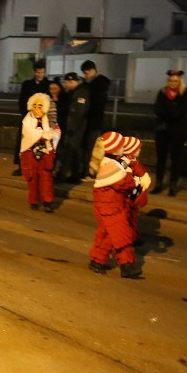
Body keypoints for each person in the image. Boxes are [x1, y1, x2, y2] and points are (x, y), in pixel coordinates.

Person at [88, 132, 144, 279]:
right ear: (114, 148)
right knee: (122, 236)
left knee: (108, 235)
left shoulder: (108, 163)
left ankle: (98, 260)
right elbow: (126, 183)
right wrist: (134, 181)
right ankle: (126, 266)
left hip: (111, 206)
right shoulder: (110, 165)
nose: (123, 148)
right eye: (121, 145)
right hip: (110, 207)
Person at [152, 69, 187, 196]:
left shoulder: (186, 93)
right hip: (162, 129)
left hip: (178, 130)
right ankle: (158, 183)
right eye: (171, 80)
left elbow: (181, 111)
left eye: (176, 81)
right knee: (161, 158)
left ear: (180, 81)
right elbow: (157, 108)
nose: (173, 83)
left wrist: (168, 111)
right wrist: (171, 111)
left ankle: (173, 185)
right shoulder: (162, 92)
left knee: (176, 159)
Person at [20, 93, 59, 212]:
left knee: (46, 177)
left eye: (40, 105)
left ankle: (47, 201)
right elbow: (28, 135)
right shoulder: (28, 120)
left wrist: (50, 135)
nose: (37, 108)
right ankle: (34, 200)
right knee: (32, 178)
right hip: (31, 152)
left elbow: (55, 133)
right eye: (35, 105)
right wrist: (42, 135)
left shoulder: (49, 121)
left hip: (45, 152)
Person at [14, 59, 52, 174]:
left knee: (42, 143)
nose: (40, 75)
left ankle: (41, 166)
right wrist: (27, 114)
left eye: (42, 72)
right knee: (24, 141)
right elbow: (22, 101)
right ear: (34, 72)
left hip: (43, 119)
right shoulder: (27, 85)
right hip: (28, 118)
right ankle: (22, 166)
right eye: (38, 72)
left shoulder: (48, 85)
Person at [57, 72, 90, 182]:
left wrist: (71, 127)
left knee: (69, 150)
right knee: (75, 151)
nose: (65, 85)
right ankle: (75, 175)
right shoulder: (75, 92)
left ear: (72, 81)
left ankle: (62, 174)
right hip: (75, 127)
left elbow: (78, 112)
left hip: (76, 127)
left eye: (66, 82)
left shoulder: (81, 93)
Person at [118, 136, 151, 245]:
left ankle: (132, 236)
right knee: (126, 217)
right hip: (127, 196)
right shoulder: (124, 163)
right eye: (137, 148)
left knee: (132, 217)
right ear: (130, 150)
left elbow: (139, 169)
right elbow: (125, 178)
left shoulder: (133, 161)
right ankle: (126, 238)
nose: (140, 150)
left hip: (133, 194)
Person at [81, 59, 110, 169]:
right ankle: (85, 168)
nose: (85, 75)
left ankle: (89, 169)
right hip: (88, 121)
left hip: (94, 122)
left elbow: (97, 104)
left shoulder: (100, 85)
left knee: (92, 147)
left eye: (87, 73)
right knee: (86, 146)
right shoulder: (88, 84)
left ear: (93, 71)